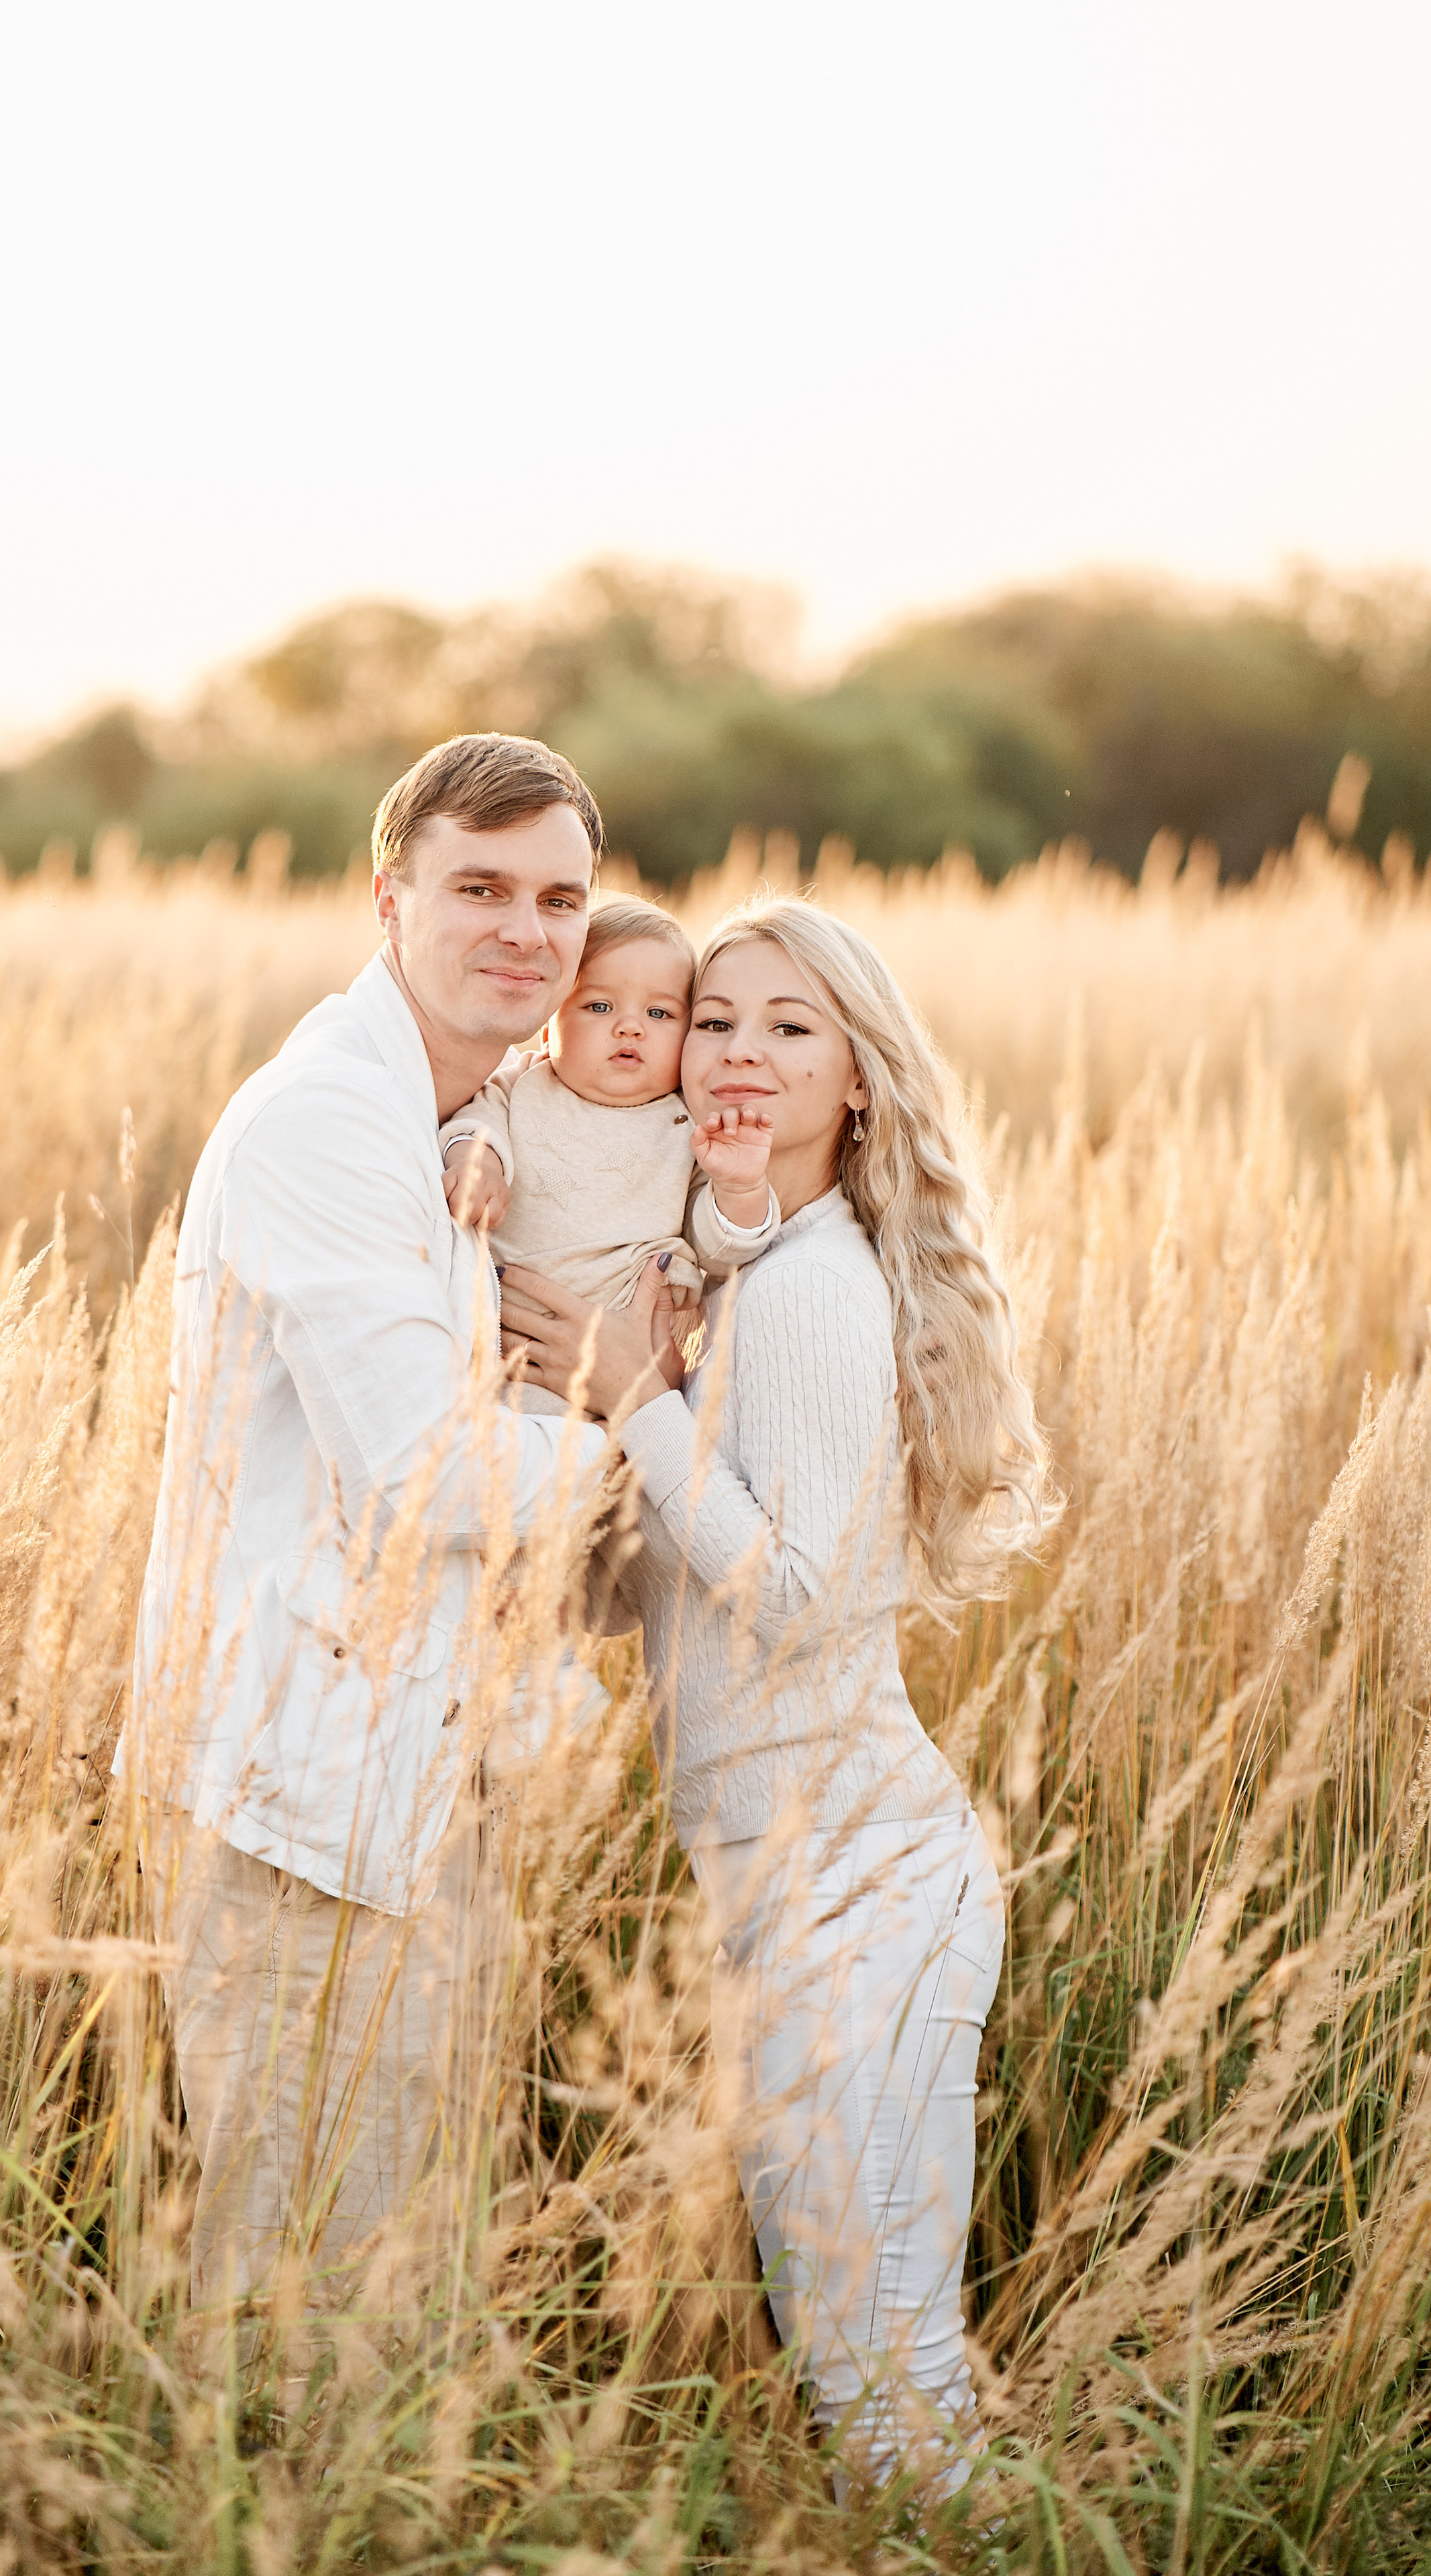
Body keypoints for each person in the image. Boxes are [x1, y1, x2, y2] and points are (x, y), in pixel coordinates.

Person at [497, 894, 1054, 2498]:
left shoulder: (805, 1288)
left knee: (884, 2393)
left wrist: (632, 1394)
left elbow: (795, 1603)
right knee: (856, 2369)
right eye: (713, 1021)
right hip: (794, 1882)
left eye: (787, 1027)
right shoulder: (729, 1271)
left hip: (862, 1882)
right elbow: (675, 1589)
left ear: (858, 1077)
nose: (735, 1054)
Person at [119, 733, 641, 2309]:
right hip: (305, 1804)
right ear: (385, 899)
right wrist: (640, 1440)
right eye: (476, 887)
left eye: (559, 899)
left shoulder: (462, 1121)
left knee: (395, 2286)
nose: (524, 930)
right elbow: (432, 1473)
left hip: (414, 1781)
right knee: (303, 2309)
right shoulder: (329, 1122)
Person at [437, 894, 780, 1413]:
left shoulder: (685, 1124)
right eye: (599, 1006)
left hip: (625, 1351)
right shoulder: (523, 1085)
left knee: (611, 1474)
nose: (630, 1026)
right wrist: (476, 1161)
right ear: (549, 1022)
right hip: (509, 1341)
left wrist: (739, 1188)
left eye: (660, 1013)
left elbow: (715, 1249)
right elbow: (474, 1121)